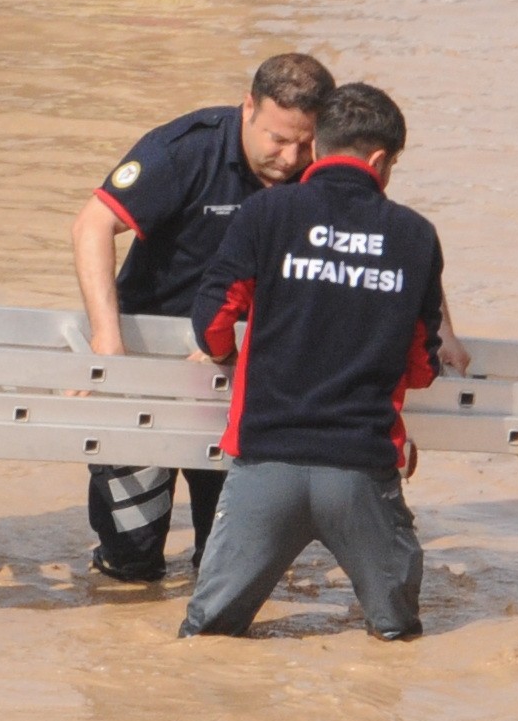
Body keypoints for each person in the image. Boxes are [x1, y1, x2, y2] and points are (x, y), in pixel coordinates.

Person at [179, 83, 461, 645]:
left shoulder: (267, 211)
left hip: (265, 464)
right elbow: (424, 362)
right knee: (398, 635)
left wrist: (227, 356)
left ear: (319, 147)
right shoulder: (414, 235)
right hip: (359, 471)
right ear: (380, 160)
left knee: (208, 637)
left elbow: (212, 317)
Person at [68, 51, 332, 586]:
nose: (291, 157)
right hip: (152, 363)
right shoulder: (184, 150)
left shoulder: (322, 171)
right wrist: (107, 344)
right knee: (131, 563)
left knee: (228, 565)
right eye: (279, 139)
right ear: (248, 107)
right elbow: (92, 226)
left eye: (306, 142)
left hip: (245, 374)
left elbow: (386, 240)